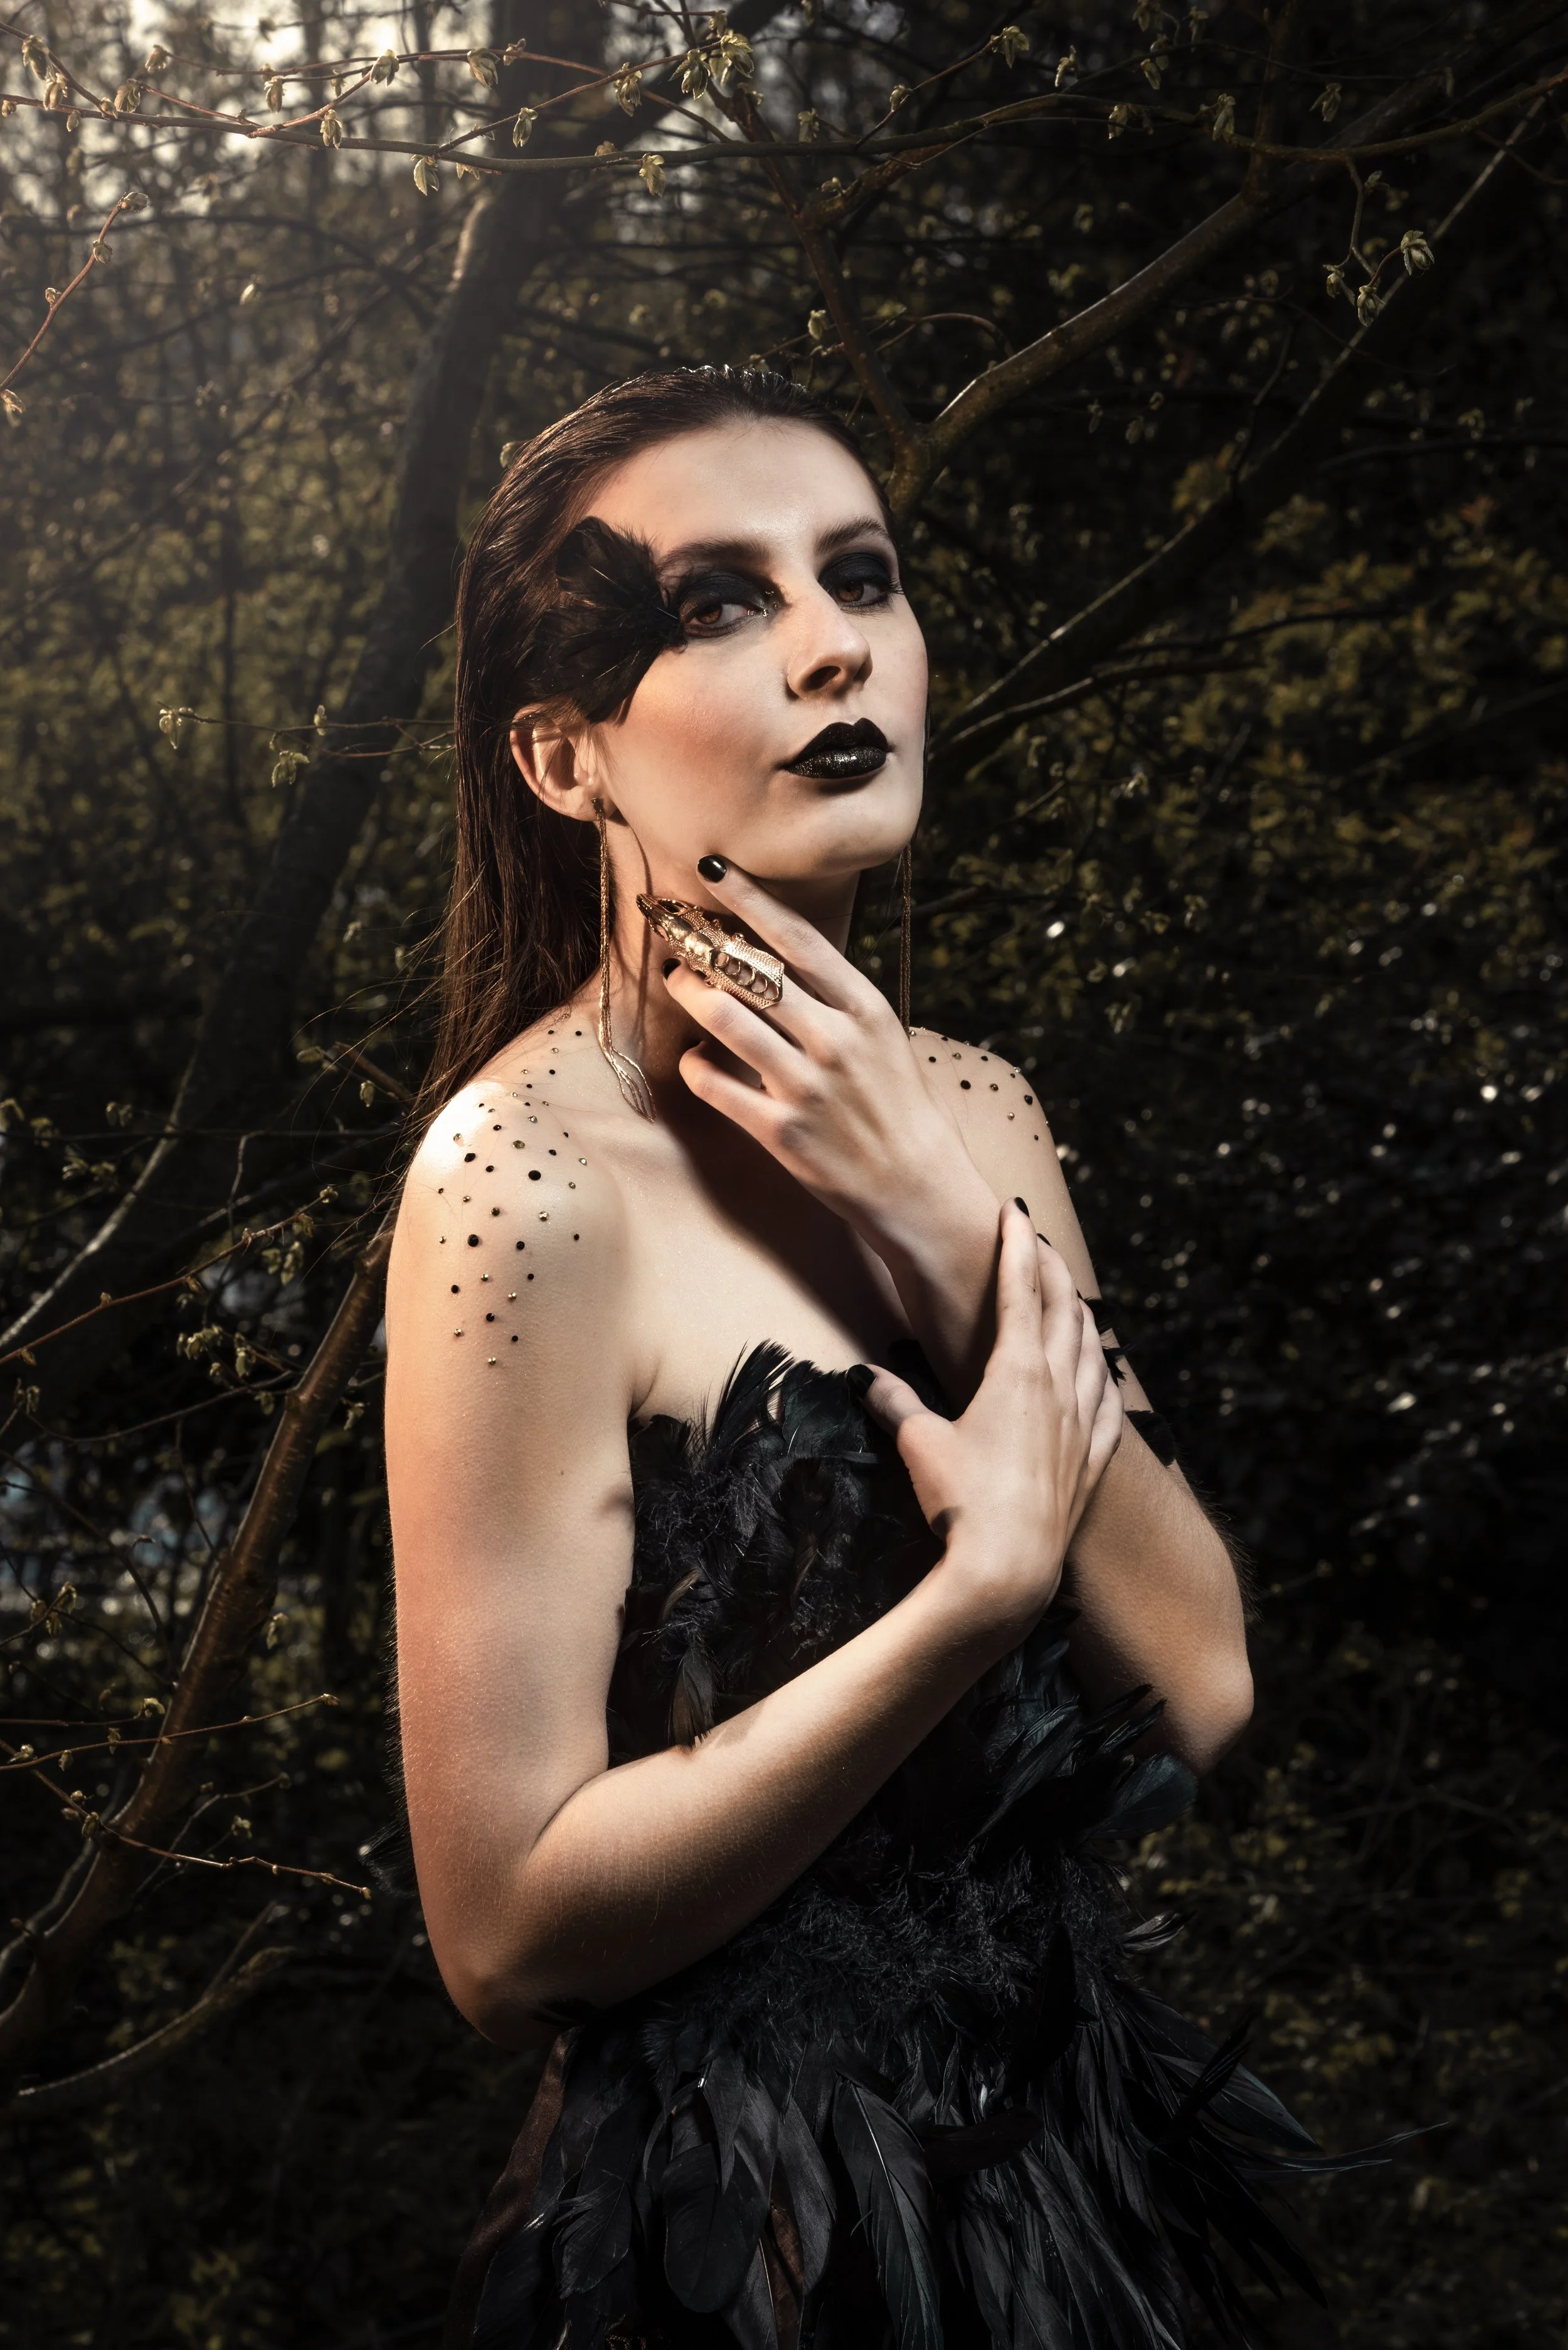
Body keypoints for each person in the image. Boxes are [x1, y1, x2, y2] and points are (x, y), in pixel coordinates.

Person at [384, 368, 1323, 2350]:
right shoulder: (519, 1188)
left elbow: (1205, 1688)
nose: (831, 643)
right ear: (563, 759)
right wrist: (967, 1607)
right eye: (718, 602)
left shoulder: (979, 1115)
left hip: (1069, 2189)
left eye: (859, 574)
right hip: (754, 2240)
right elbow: (504, 1934)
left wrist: (932, 1220)